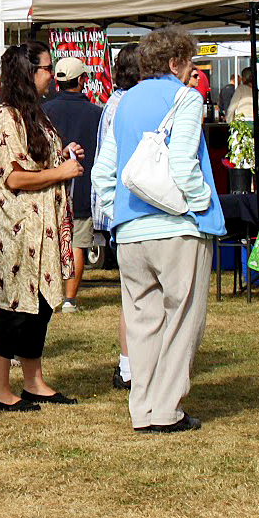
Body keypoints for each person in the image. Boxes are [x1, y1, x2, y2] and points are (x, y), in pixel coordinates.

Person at [91, 27, 223, 433]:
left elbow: (103, 170)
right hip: (178, 228)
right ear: (174, 63)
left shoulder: (123, 102)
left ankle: (142, 408)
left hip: (130, 232)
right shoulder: (185, 97)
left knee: (142, 322)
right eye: (188, 63)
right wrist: (199, 204)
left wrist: (117, 212)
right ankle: (166, 410)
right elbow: (183, 162)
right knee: (182, 319)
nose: (191, 71)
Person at [0, 41, 82, 412]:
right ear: (29, 73)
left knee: (38, 304)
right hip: (19, 230)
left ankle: (33, 381)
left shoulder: (35, 114)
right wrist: (62, 171)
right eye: (46, 68)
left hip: (44, 228)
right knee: (12, 307)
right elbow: (14, 177)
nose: (51, 75)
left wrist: (64, 153)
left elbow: (35, 159)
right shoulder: (6, 117)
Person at [91, 43, 140, 391]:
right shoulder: (128, 106)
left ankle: (128, 365)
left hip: (118, 210)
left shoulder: (113, 103)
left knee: (132, 294)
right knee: (135, 295)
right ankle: (129, 365)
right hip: (129, 209)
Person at [43, 56, 102, 313]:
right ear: (81, 80)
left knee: (51, 241)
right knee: (77, 241)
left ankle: (50, 295)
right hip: (83, 187)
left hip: (49, 185)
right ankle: (69, 299)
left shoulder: (43, 111)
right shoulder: (96, 113)